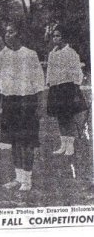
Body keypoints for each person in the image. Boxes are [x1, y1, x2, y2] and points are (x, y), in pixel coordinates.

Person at [0, 20, 45, 191]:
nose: (7, 35)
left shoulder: (30, 54)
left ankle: (27, 179)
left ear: (18, 34)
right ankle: (18, 178)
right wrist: (3, 104)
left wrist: (40, 105)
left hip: (27, 102)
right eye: (6, 32)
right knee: (14, 141)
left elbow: (39, 82)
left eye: (10, 32)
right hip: (10, 102)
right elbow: (1, 81)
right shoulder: (3, 55)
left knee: (27, 142)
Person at [46, 24, 86, 156]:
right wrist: (50, 83)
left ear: (64, 38)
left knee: (68, 117)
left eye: (58, 36)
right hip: (56, 88)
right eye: (54, 36)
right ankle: (63, 144)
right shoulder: (52, 53)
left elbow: (76, 72)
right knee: (60, 117)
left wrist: (75, 89)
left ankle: (70, 145)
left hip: (68, 88)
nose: (55, 38)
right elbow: (50, 70)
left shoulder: (71, 53)